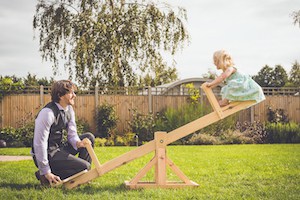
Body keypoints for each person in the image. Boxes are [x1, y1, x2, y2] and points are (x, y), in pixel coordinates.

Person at [31, 80, 95, 186]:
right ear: (60, 95)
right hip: (48, 153)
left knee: (89, 137)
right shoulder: (47, 113)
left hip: (59, 148)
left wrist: (78, 143)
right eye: (71, 93)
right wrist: (45, 170)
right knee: (85, 166)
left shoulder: (69, 109)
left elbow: (72, 134)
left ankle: (82, 176)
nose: (74, 96)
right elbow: (39, 144)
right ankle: (44, 175)